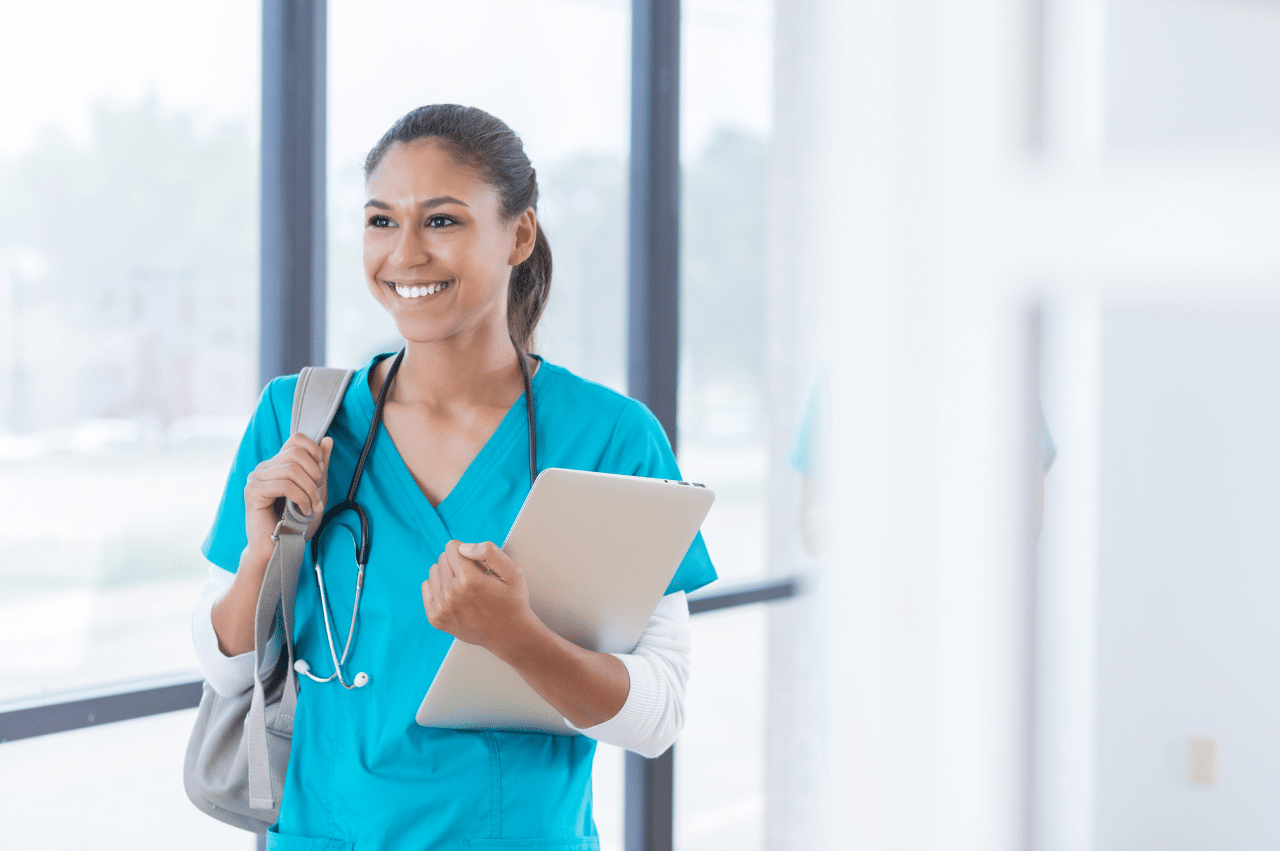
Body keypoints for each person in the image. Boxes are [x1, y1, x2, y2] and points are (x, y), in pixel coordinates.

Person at [191, 104, 716, 850]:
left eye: (441, 221)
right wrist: (258, 557)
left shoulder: (610, 437)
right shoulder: (300, 416)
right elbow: (225, 665)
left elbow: (658, 715)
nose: (405, 254)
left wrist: (516, 636)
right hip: (321, 834)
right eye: (381, 221)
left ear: (519, 235)